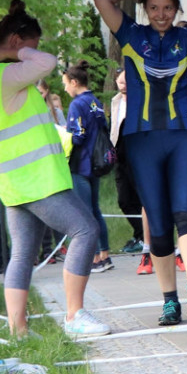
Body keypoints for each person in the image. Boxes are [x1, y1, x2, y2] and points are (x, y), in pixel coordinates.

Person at [93, 0, 187, 326]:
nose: (160, 14)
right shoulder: (130, 34)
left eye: (168, 7)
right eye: (153, 7)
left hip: (182, 135)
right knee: (157, 223)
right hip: (141, 140)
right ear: (144, 8)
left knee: (186, 210)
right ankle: (169, 301)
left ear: (177, 8)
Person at [0, 0, 109, 337]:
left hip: (13, 182)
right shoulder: (3, 74)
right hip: (36, 180)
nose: (35, 52)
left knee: (23, 253)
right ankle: (74, 316)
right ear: (16, 41)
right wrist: (15, 55)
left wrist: (11, 54)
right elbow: (47, 62)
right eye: (31, 44)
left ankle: (19, 330)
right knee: (85, 231)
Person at [62, 60, 113, 274]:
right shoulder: (95, 101)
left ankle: (92, 258)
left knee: (84, 212)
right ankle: (105, 254)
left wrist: (62, 137)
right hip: (96, 164)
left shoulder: (77, 104)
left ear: (74, 82)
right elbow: (104, 128)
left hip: (81, 164)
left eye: (65, 83)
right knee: (95, 209)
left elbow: (78, 136)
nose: (64, 88)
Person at [110, 67, 145, 256]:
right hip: (119, 154)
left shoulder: (140, 99)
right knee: (124, 199)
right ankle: (141, 233)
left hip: (138, 153)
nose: (123, 85)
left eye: (126, 81)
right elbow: (113, 126)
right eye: (120, 81)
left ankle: (145, 236)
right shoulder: (115, 101)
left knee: (142, 197)